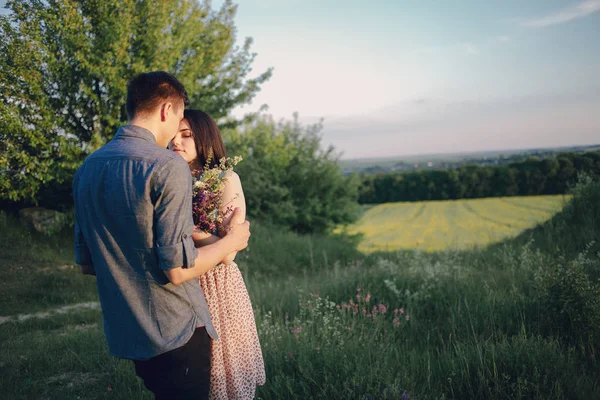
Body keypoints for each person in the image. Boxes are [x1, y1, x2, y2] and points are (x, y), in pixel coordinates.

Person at [72, 71, 250, 400]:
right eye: (180, 117)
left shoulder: (87, 169)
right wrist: (231, 242)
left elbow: (87, 263)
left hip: (129, 332)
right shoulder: (167, 166)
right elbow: (177, 269)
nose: (176, 135)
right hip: (176, 329)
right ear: (167, 110)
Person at [168, 109, 265, 399]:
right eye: (173, 134)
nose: (177, 142)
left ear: (204, 138)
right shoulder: (169, 177)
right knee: (188, 375)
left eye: (186, 135)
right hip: (182, 280)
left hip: (217, 284)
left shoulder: (225, 178)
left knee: (221, 371)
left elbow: (228, 254)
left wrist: (187, 227)